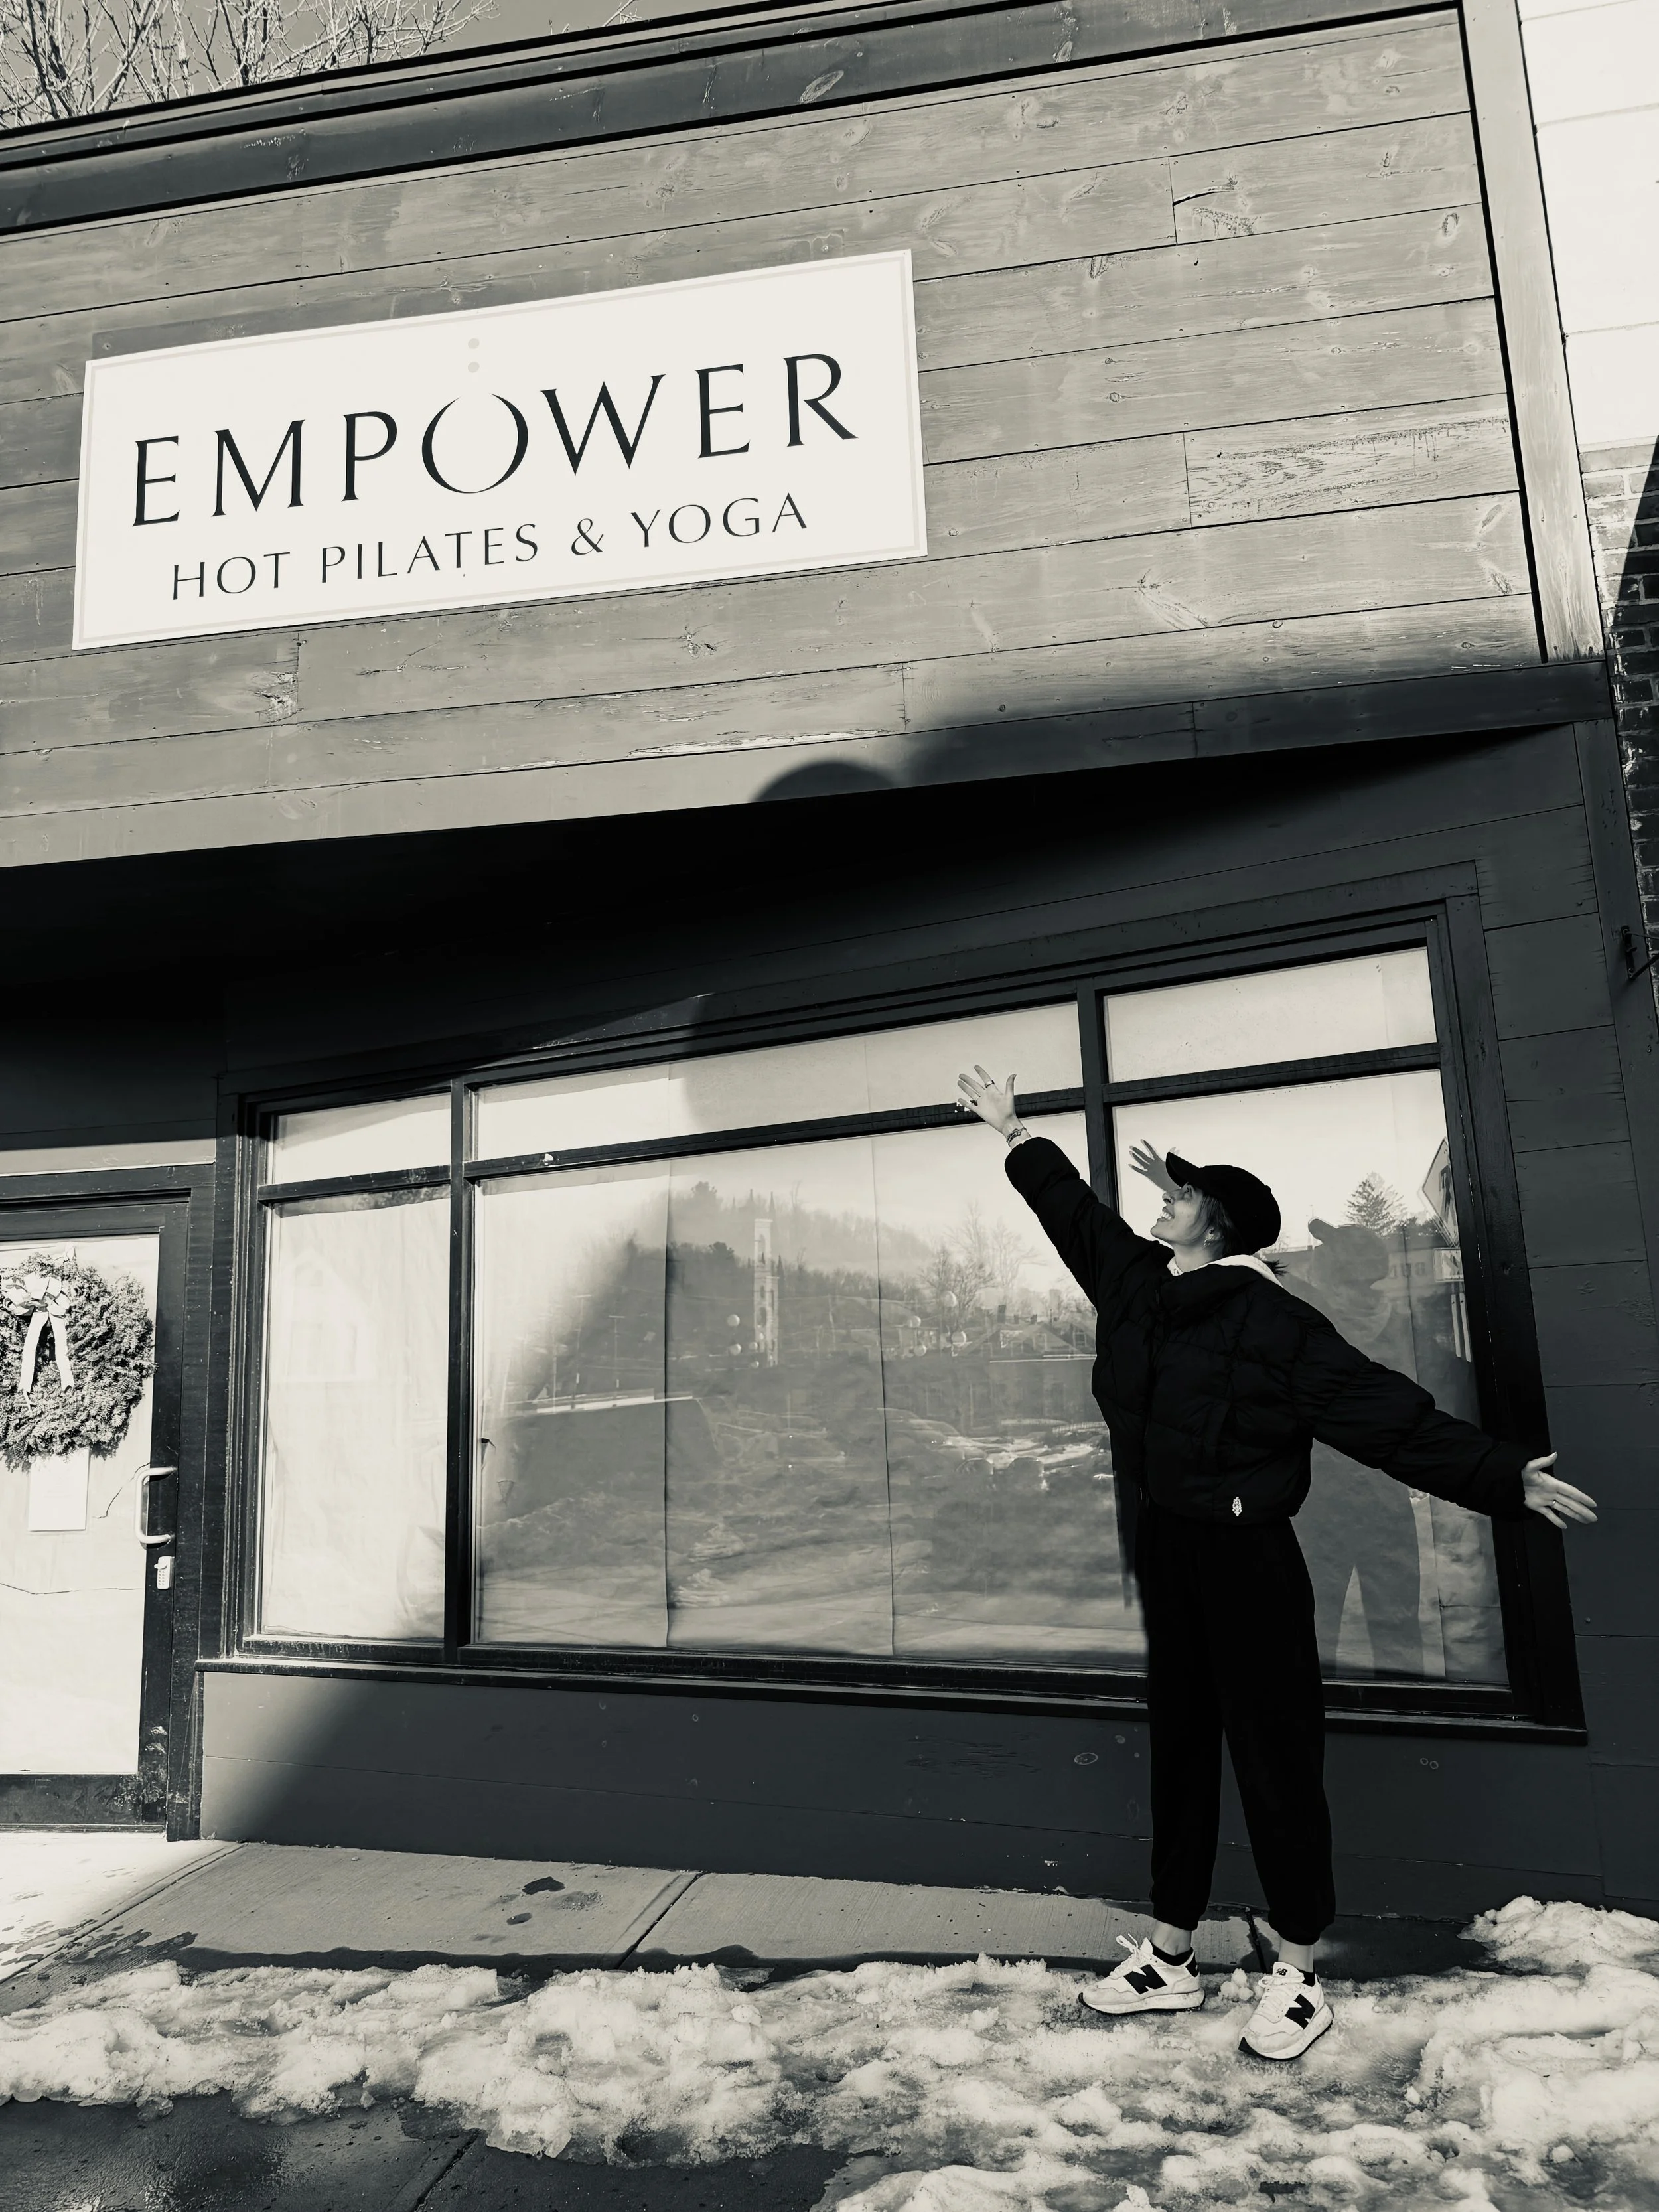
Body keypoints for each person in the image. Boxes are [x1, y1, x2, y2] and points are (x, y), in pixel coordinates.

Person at [955, 1066, 1597, 2062]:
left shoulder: (1276, 1322)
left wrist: (1500, 1475)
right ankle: (1171, 1955)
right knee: (1179, 1747)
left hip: (1251, 1556)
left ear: (1215, 1222)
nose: (1161, 1202)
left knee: (1275, 1757)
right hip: (1168, 1545)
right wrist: (1013, 1133)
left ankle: (1297, 1970)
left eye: (1179, 1194)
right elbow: (1073, 1217)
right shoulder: (1138, 1285)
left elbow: (1386, 1413)